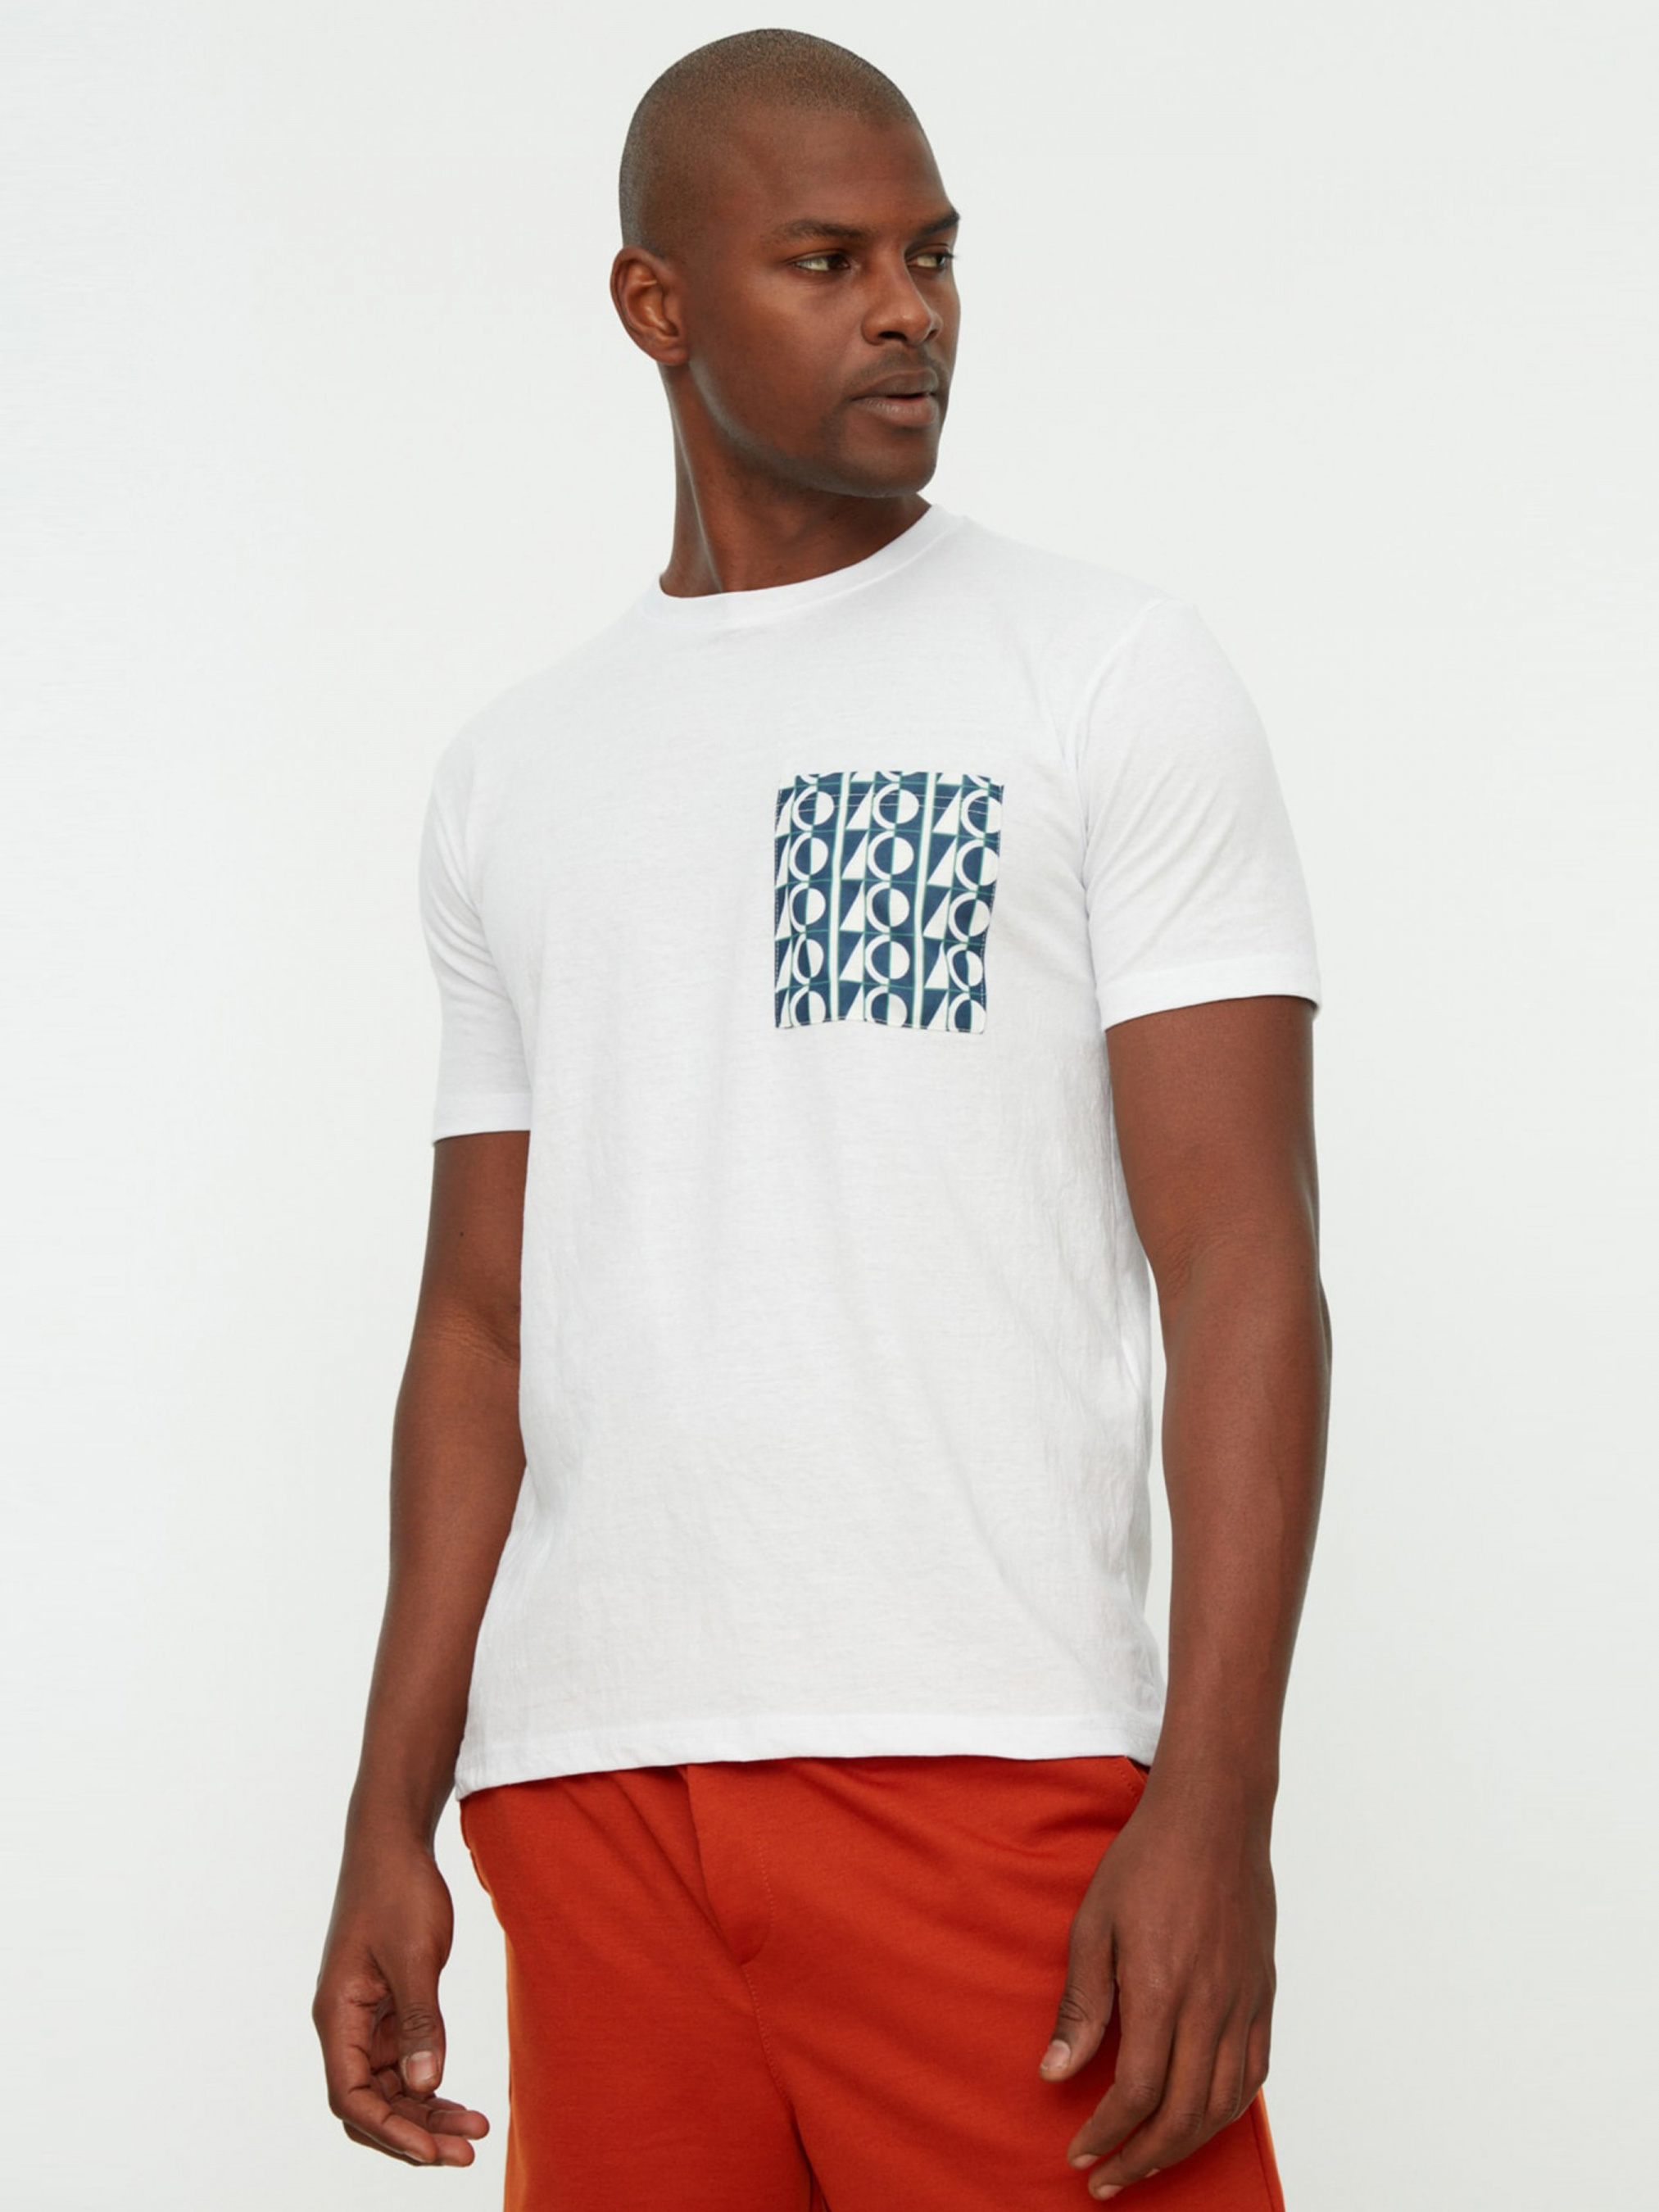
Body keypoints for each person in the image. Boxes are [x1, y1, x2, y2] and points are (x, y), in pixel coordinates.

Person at [312, 27, 1330, 2211]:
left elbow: (1241, 1259)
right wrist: (389, 1811)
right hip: (592, 1789)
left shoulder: (1103, 672)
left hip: (977, 1751)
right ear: (655, 303)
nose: (907, 312)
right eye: (827, 259)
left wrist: (1217, 1793)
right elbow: (480, 1322)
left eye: (932, 256)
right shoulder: (514, 770)